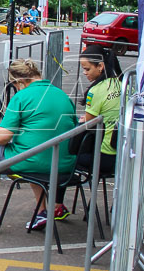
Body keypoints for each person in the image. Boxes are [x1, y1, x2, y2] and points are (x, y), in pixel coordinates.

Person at [0, 58, 78, 232]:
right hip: (64, 164)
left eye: (14, 85)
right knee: (32, 149)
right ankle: (41, 211)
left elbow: (3, 137)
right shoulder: (61, 94)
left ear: (19, 82)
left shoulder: (21, 96)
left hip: (33, 161)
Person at [52, 45, 123, 218]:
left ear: (100, 66)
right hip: (124, 155)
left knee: (61, 156)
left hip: (104, 156)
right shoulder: (124, 84)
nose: (84, 73)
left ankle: (57, 206)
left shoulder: (96, 91)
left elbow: (88, 124)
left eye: (87, 69)